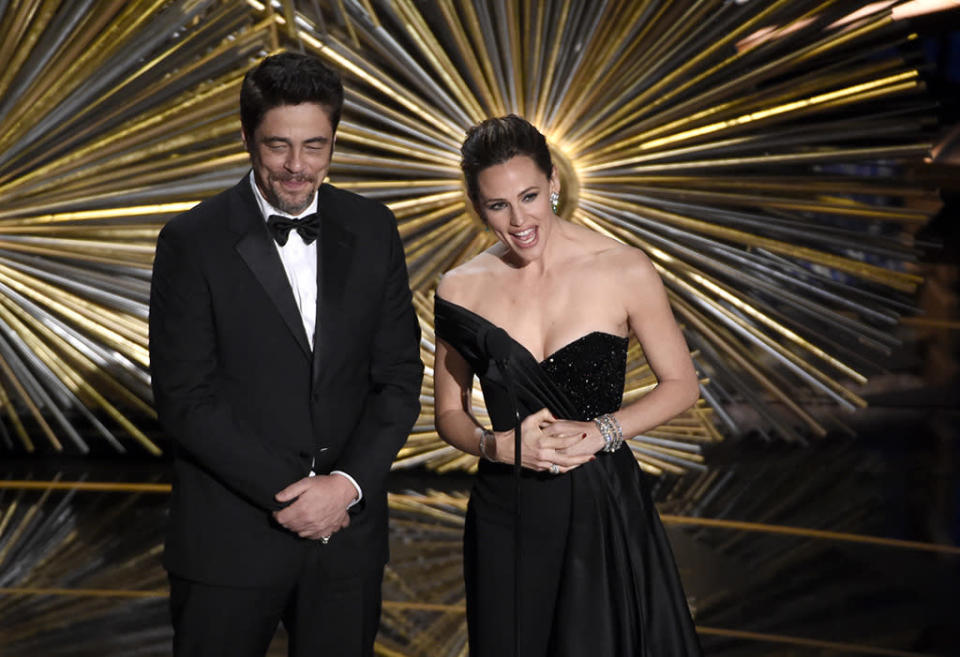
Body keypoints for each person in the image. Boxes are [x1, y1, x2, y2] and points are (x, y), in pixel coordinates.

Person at [149, 52, 422, 657]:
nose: (298, 168)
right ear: (246, 137)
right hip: (229, 540)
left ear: (333, 141)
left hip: (347, 542)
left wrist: (344, 487)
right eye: (278, 147)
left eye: (315, 146)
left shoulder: (374, 228)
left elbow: (399, 378)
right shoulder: (192, 241)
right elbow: (185, 399)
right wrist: (297, 495)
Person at [433, 114, 703, 656]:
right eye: (498, 206)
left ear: (553, 182)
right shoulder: (459, 288)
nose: (519, 219)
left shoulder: (623, 267)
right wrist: (494, 445)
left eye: (530, 195)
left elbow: (681, 384)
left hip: (602, 503)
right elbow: (450, 413)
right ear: (476, 206)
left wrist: (604, 431)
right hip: (506, 511)